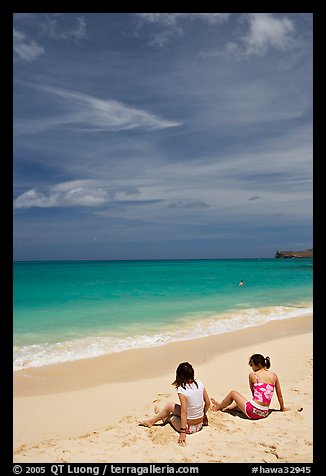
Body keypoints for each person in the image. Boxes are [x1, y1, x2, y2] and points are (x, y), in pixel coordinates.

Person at [139, 361, 210, 446]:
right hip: (200, 424)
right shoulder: (200, 384)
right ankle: (160, 414)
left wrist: (183, 432)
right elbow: (208, 403)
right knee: (170, 406)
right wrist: (203, 414)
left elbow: (184, 411)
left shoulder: (182, 389)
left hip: (189, 428)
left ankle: (152, 421)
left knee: (170, 417)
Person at [211, 354, 285, 420]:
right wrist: (282, 408)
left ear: (258, 365)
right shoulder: (274, 376)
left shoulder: (253, 375)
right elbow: (279, 394)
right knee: (237, 405)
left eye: (252, 365)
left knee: (233, 393)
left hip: (253, 412)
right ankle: (224, 406)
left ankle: (217, 408)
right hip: (265, 413)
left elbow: (253, 393)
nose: (251, 367)